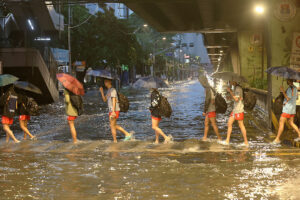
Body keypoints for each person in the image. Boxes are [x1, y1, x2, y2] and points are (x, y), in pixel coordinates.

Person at [99, 78, 133, 143]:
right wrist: (102, 92)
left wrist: (113, 111)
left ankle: (116, 140)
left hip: (114, 110)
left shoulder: (113, 90)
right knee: (113, 125)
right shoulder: (109, 90)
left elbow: (114, 100)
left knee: (112, 126)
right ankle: (126, 134)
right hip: (111, 110)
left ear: (110, 82)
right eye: (104, 82)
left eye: (106, 82)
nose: (105, 83)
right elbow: (104, 100)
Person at [221, 81, 248, 146]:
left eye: (230, 81)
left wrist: (230, 91)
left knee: (241, 125)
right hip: (235, 110)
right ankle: (227, 141)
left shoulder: (238, 89)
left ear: (234, 81)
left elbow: (236, 99)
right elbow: (235, 98)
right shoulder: (235, 88)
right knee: (229, 123)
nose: (229, 82)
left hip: (239, 110)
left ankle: (246, 142)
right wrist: (230, 97)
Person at [274, 79, 300, 143]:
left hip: (288, 109)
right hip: (292, 108)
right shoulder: (295, 88)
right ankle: (299, 135)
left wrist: (282, 91)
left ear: (289, 81)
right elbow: (295, 97)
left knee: (281, 122)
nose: (287, 81)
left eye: (288, 80)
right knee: (291, 123)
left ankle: (277, 138)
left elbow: (288, 98)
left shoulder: (290, 89)